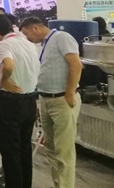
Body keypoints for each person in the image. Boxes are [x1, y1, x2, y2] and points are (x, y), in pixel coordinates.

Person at [20, 17, 83, 188]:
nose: (27, 38)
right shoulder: (44, 45)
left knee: (64, 150)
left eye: (27, 33)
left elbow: (76, 65)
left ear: (35, 28)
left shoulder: (62, 37)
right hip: (46, 99)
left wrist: (69, 93)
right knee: (51, 148)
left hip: (62, 99)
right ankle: (58, 184)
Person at [0, 14, 39, 188]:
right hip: (30, 101)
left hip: (11, 103)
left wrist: (4, 80)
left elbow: (8, 65)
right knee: (24, 148)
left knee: (10, 152)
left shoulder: (4, 44)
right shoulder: (28, 43)